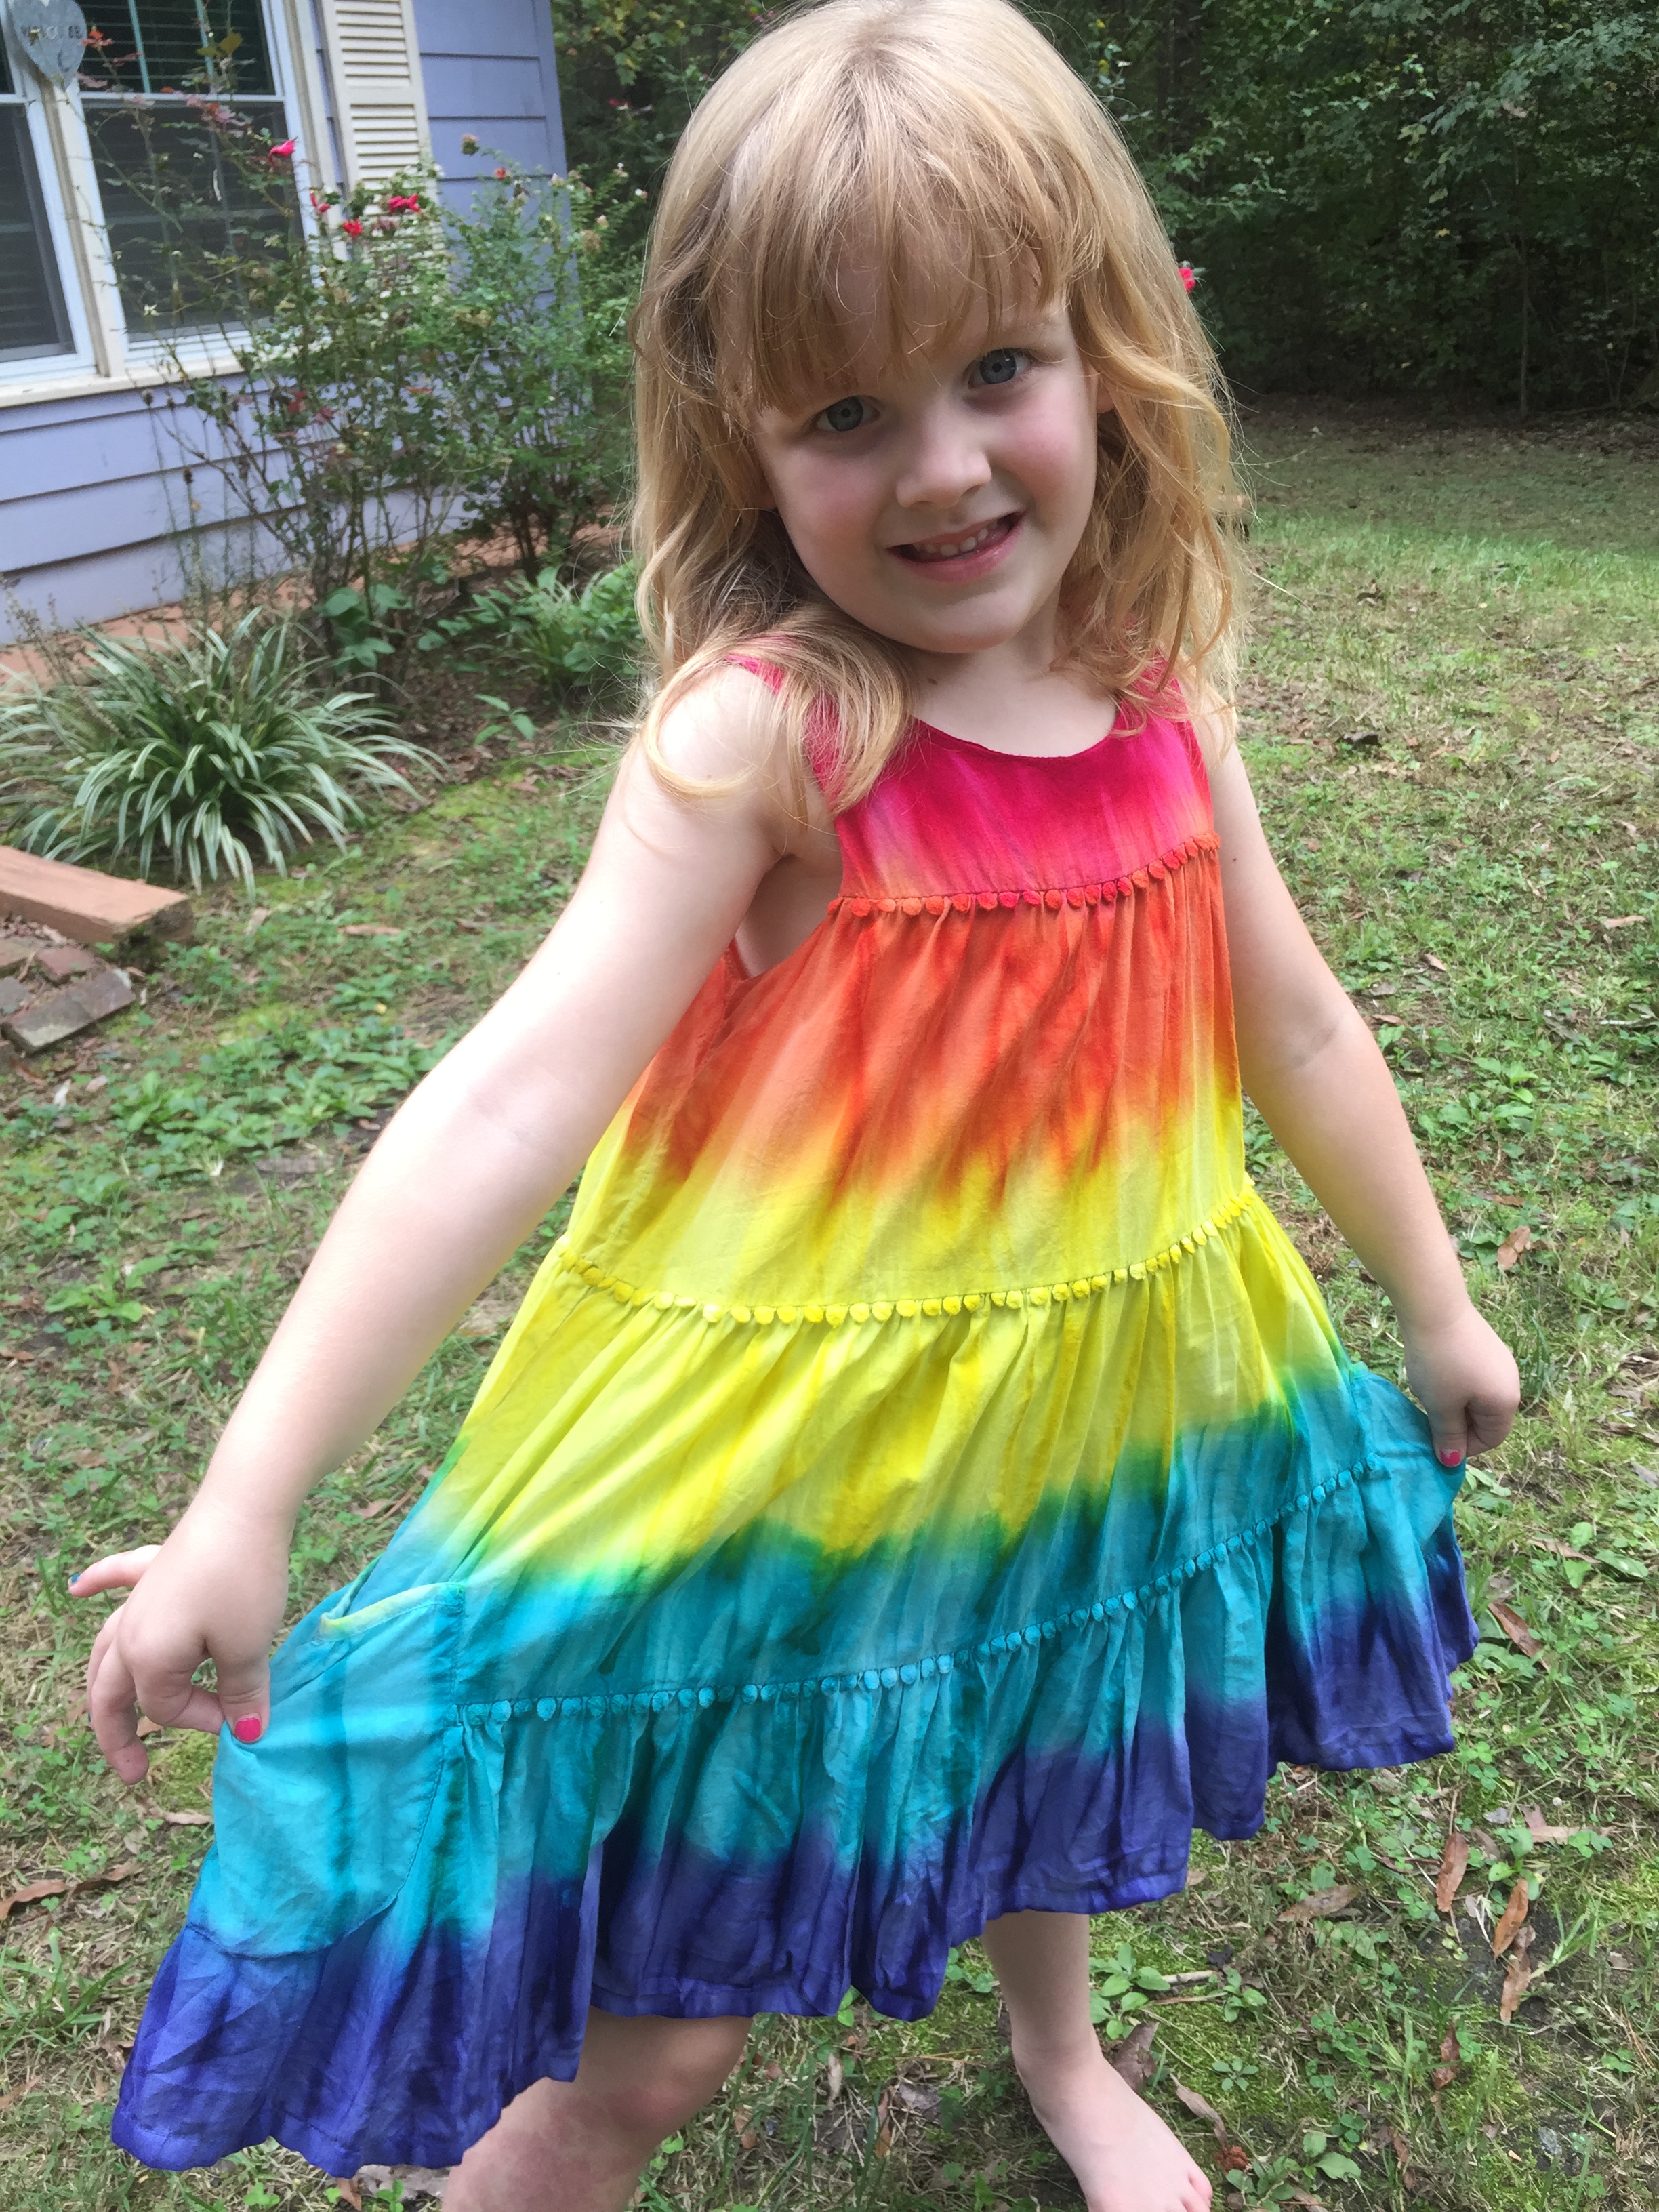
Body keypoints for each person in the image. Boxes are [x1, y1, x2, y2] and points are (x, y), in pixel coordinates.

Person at [71, 2, 1520, 2206]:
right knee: (650, 2057)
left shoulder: (1154, 697)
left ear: (1106, 351)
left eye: (997, 368)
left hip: (1084, 1413)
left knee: (1041, 1741)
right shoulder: (775, 739)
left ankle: (1061, 2050)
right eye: (848, 411)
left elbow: (1295, 1025)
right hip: (782, 1484)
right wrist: (245, 1499)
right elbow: (508, 1098)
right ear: (743, 445)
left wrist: (1433, 1300)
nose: (941, 468)